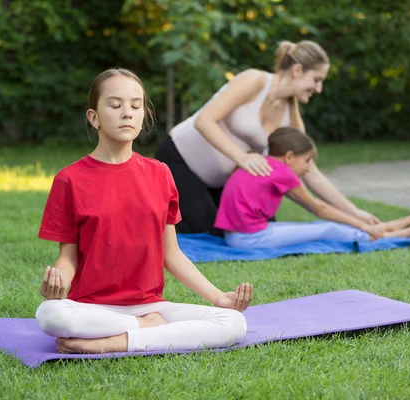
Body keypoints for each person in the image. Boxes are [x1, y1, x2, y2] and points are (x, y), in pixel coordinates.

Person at [35, 68, 253, 354]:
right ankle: (147, 329)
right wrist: (58, 284)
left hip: (151, 305)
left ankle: (119, 341)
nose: (128, 112)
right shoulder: (69, 180)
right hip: (92, 308)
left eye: (136, 105)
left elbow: (171, 254)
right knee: (50, 315)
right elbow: (68, 257)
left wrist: (218, 298)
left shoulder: (160, 173)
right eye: (115, 105)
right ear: (94, 117)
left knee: (233, 323)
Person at [155, 40, 381, 235]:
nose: (319, 88)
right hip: (178, 161)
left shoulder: (292, 120)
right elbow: (204, 120)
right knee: (206, 232)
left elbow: (310, 172)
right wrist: (242, 158)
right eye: (316, 79)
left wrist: (354, 211)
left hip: (220, 182)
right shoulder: (255, 81)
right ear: (297, 70)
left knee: (254, 227)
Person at [215, 127, 410, 248]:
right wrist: (363, 224)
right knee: (326, 228)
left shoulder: (260, 162)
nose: (309, 168)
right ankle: (389, 234)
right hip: (248, 239)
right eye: (308, 160)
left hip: (238, 236)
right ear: (290, 157)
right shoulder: (280, 171)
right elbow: (319, 208)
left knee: (318, 226)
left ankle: (385, 229)